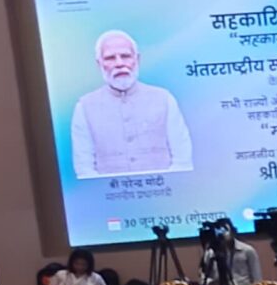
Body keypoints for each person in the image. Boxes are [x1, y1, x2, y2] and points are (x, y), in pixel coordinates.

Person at [70, 29, 193, 178]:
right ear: (99, 63)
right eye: (110, 58)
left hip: (164, 189)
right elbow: (84, 167)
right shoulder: (84, 107)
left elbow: (182, 159)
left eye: (125, 56)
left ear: (137, 59)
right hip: (109, 192)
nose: (119, 63)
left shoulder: (164, 99)